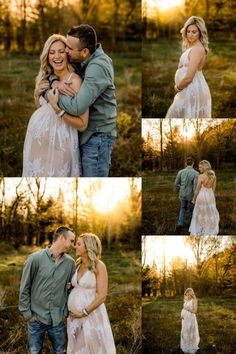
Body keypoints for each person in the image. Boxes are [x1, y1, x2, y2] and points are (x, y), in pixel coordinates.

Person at [47, 24, 117, 177]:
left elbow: (78, 106)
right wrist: (53, 81)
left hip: (97, 137)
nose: (65, 52)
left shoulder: (98, 66)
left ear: (85, 51)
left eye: (69, 48)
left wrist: (49, 97)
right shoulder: (82, 58)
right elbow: (54, 68)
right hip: (86, 134)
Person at [22, 34, 88, 177]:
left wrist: (58, 109)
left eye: (61, 51)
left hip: (61, 144)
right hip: (37, 144)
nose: (56, 56)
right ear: (47, 57)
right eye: (52, 52)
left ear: (67, 54)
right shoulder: (45, 79)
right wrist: (36, 95)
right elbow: (42, 112)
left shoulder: (75, 81)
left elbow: (82, 124)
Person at [19, 226, 76, 354]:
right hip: (36, 319)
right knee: (34, 352)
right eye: (71, 241)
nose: (73, 245)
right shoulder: (35, 259)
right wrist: (28, 315)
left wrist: (65, 312)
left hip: (57, 320)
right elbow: (24, 287)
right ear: (62, 238)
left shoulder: (70, 263)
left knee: (60, 352)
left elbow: (70, 289)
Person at [67, 233, 116, 353]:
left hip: (90, 316)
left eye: (79, 244)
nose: (75, 247)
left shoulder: (99, 266)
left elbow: (102, 296)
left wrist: (83, 313)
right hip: (74, 318)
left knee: (80, 351)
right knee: (77, 349)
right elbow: (77, 285)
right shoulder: (77, 264)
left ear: (88, 247)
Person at [166, 16, 211, 118]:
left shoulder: (197, 49)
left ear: (200, 32)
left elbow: (189, 78)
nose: (190, 35)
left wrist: (178, 87)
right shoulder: (193, 47)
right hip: (188, 88)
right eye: (188, 31)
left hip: (192, 89)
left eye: (194, 32)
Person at [189, 160, 219, 235]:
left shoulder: (201, 176)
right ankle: (208, 227)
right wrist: (211, 196)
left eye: (200, 167)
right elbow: (213, 189)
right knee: (210, 212)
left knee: (200, 212)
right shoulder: (213, 176)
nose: (199, 169)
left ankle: (200, 228)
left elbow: (197, 190)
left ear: (204, 167)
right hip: (210, 195)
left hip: (201, 195)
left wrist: (194, 198)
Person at [175, 157, 199, 233]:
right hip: (191, 195)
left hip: (182, 194)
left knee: (182, 208)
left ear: (186, 163)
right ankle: (191, 226)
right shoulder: (196, 173)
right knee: (192, 210)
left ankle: (180, 224)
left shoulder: (180, 172)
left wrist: (179, 189)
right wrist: (195, 196)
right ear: (193, 163)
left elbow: (176, 184)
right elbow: (195, 186)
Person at [180, 288, 200, 354]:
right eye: (186, 294)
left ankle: (191, 346)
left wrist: (188, 309)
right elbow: (183, 308)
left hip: (191, 319)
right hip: (185, 320)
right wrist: (182, 315)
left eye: (188, 294)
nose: (187, 296)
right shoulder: (186, 300)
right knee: (185, 332)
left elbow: (195, 311)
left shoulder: (194, 300)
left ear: (191, 294)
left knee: (190, 332)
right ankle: (186, 345)